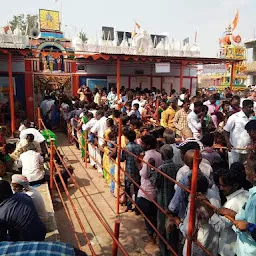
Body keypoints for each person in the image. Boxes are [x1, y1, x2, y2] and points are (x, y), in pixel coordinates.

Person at [174, 174, 221, 256]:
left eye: (189, 185)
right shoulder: (213, 193)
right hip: (212, 241)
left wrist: (179, 224)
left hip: (198, 244)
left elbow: (188, 230)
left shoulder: (196, 200)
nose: (187, 186)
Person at [218, 157, 256, 256]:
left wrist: (248, 226)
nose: (221, 188)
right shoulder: (249, 194)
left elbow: (219, 226)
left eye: (247, 169)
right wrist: (232, 214)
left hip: (246, 250)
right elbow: (243, 218)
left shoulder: (234, 202)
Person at [207, 170, 249, 256]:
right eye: (220, 185)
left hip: (229, 249)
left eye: (224, 186)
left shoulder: (232, 203)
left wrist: (207, 208)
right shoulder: (247, 194)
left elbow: (219, 226)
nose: (221, 188)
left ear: (235, 185)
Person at [136, 135, 162, 244]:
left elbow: (144, 174)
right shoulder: (159, 154)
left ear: (147, 145)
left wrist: (138, 164)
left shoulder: (148, 156)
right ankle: (154, 233)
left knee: (148, 216)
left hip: (147, 190)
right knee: (154, 215)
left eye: (142, 143)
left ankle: (151, 236)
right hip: (156, 189)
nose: (140, 145)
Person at [155, 145, 180, 256]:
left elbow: (155, 183)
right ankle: (173, 251)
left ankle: (163, 252)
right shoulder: (179, 167)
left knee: (162, 227)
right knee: (173, 227)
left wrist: (151, 169)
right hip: (175, 201)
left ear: (162, 155)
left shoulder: (160, 169)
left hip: (163, 201)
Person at [224, 99, 254, 166]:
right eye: (249, 107)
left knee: (246, 171)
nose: (251, 109)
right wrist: (228, 143)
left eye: (252, 107)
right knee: (234, 170)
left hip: (247, 150)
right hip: (235, 149)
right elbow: (226, 131)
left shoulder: (252, 118)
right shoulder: (234, 117)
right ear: (244, 107)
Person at [120, 130, 142, 212]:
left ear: (127, 138)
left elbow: (122, 159)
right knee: (137, 190)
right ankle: (137, 206)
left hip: (129, 172)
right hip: (137, 171)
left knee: (128, 189)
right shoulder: (138, 146)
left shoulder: (126, 148)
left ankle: (129, 206)